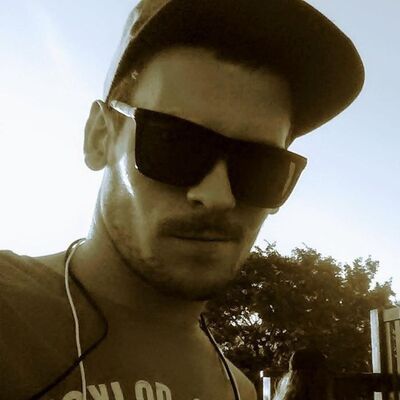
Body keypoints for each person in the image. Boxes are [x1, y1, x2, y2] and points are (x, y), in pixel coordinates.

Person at [0, 0, 364, 399]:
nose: (218, 197)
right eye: (176, 145)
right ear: (100, 137)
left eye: (260, 167)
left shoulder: (237, 390)